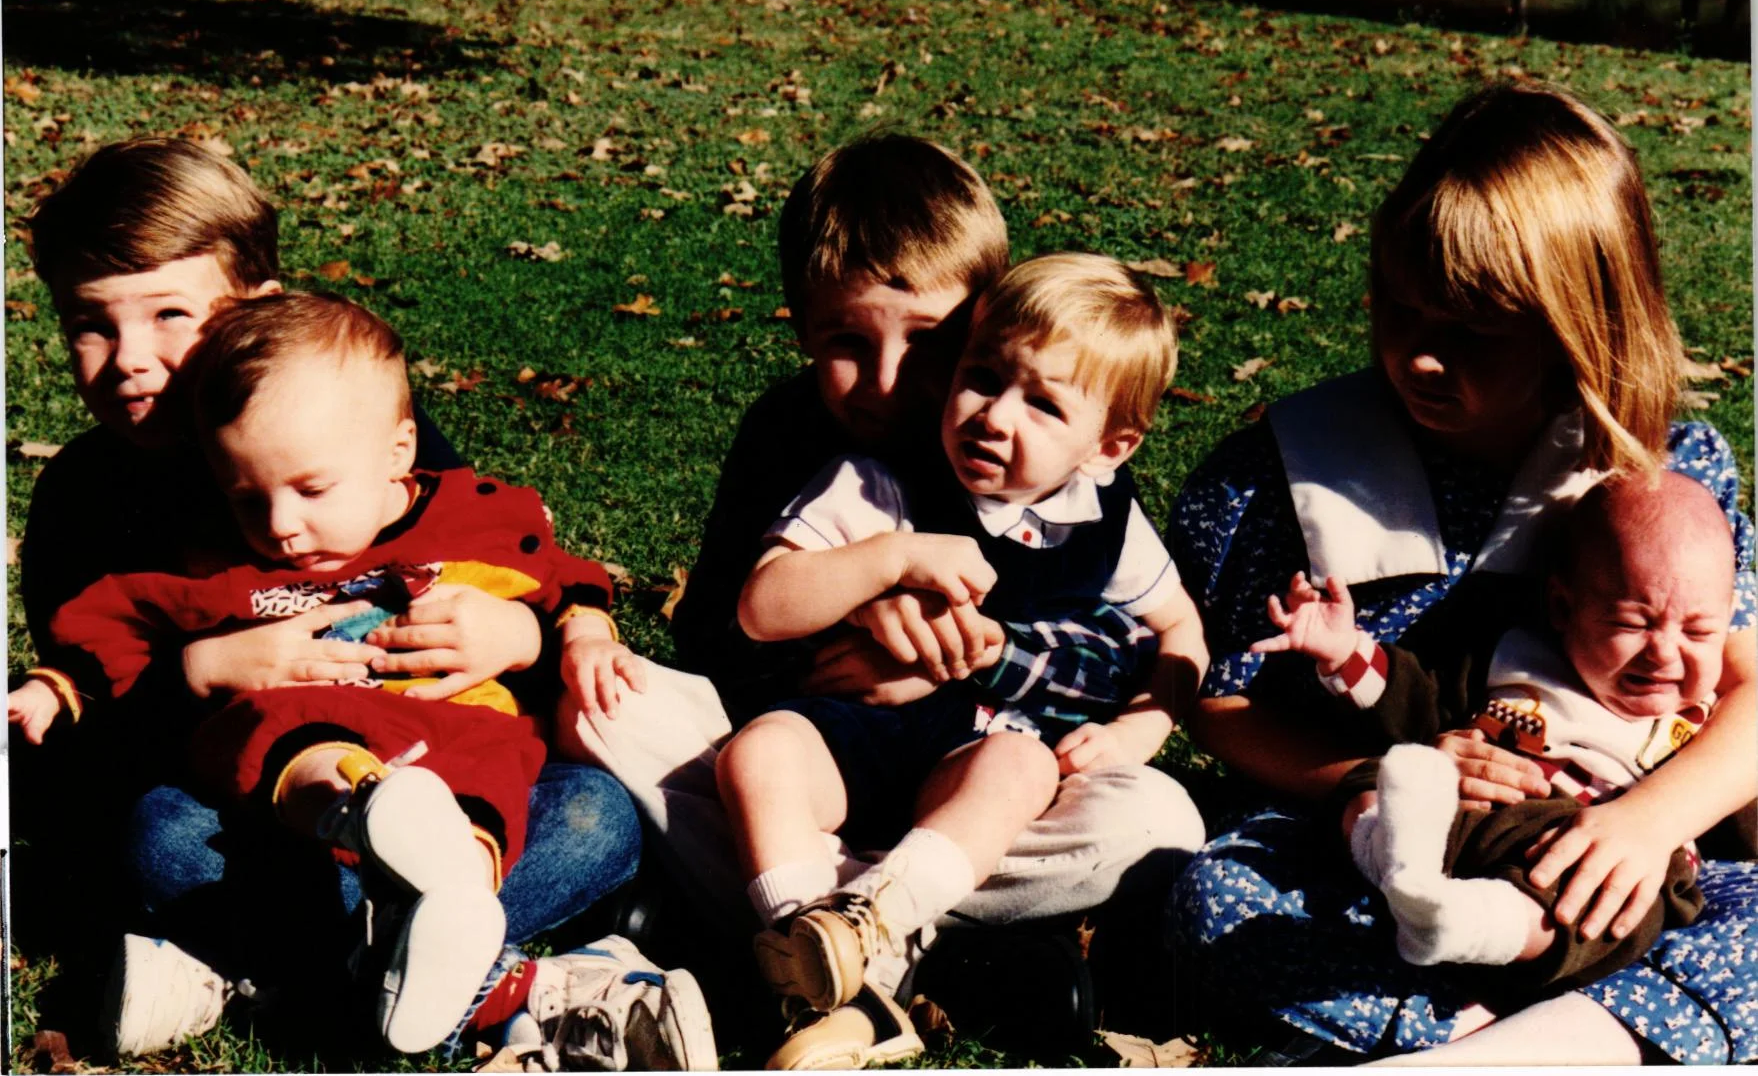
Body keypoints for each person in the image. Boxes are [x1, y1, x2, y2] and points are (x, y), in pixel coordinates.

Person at [564, 135, 1204, 1066]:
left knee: (1153, 816)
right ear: (800, 327)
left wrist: (1071, 693)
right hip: (807, 745)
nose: (891, 380)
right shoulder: (801, 444)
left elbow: (1141, 634)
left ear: (986, 316)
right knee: (612, 712)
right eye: (847, 345)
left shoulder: (1066, 481)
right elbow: (727, 624)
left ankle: (847, 931)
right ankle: (871, 953)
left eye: (934, 345)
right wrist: (865, 600)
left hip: (974, 770)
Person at [9, 137, 644, 1061]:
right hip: (251, 801)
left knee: (595, 815)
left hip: (438, 762)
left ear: (256, 307)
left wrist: (521, 634)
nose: (129, 359)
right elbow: (90, 727)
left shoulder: (349, 415)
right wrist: (200, 670)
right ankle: (474, 977)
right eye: (90, 324)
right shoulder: (86, 499)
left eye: (170, 314)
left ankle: (265, 969)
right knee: (160, 840)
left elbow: (491, 555)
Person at [1167, 81, 1758, 1064]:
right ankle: (1536, 1038)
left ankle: (1491, 1047)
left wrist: (1648, 821)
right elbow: (1221, 702)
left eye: (1476, 330)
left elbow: (1748, 689)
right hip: (1386, 852)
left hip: (1618, 852)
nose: (1421, 357)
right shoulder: (1288, 468)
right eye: (1400, 308)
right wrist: (1380, 782)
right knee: (1218, 901)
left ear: (1581, 322)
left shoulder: (1659, 478)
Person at [718, 254, 1206, 1066]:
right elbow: (761, 608)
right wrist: (890, 558)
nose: (995, 416)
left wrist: (1138, 731)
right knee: (755, 753)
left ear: (1108, 447)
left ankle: (871, 920)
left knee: (1041, 772)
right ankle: (826, 969)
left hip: (973, 763)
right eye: (981, 377)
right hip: (851, 740)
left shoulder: (1105, 519)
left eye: (1044, 404)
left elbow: (1182, 630)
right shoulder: (882, 483)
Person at [1256, 472, 1739, 990]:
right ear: (1563, 607)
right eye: (1631, 624)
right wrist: (1345, 653)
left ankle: (1465, 925)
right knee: (1378, 778)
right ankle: (1401, 870)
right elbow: (1413, 699)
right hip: (1459, 811)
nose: (1663, 653)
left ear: (1729, 619)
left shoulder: (1709, 725)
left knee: (1625, 899)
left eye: (1698, 632)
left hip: (1570, 855)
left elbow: (1740, 803)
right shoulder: (1512, 658)